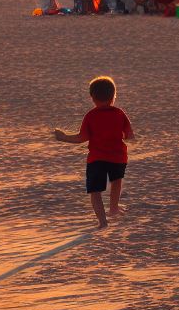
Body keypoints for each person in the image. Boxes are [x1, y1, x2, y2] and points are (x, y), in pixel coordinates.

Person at [54, 76, 134, 229]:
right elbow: (130, 135)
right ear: (114, 96)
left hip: (97, 159)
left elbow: (82, 138)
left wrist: (63, 137)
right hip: (118, 156)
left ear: (93, 97)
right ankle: (114, 208)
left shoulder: (91, 116)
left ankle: (103, 222)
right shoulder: (119, 113)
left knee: (95, 191)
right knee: (116, 181)